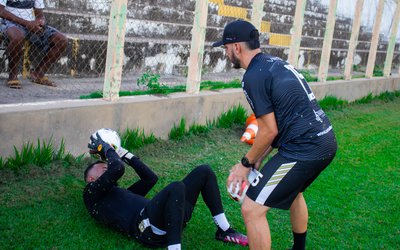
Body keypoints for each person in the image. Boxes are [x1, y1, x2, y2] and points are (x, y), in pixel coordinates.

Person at [212, 20, 338, 250]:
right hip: (325, 140)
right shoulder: (274, 63)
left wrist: (244, 164)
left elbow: (269, 130)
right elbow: (276, 125)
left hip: (305, 148)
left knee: (251, 209)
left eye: (226, 47)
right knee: (294, 192)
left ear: (237, 47)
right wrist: (258, 157)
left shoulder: (252, 76)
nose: (226, 52)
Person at [84, 132, 248, 250]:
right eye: (104, 167)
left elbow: (150, 178)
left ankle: (224, 230)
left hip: (169, 218)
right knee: (176, 187)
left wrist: (122, 152)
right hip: (148, 229)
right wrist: (105, 148)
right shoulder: (92, 197)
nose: (109, 166)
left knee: (204, 171)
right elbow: (117, 168)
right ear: (91, 179)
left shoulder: (122, 193)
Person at [0, 0, 67, 89]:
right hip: (9, 22)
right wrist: (27, 24)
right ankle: (13, 75)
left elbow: (39, 13)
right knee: (17, 37)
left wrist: (40, 21)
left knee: (61, 40)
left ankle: (38, 74)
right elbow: (1, 11)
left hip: (31, 24)